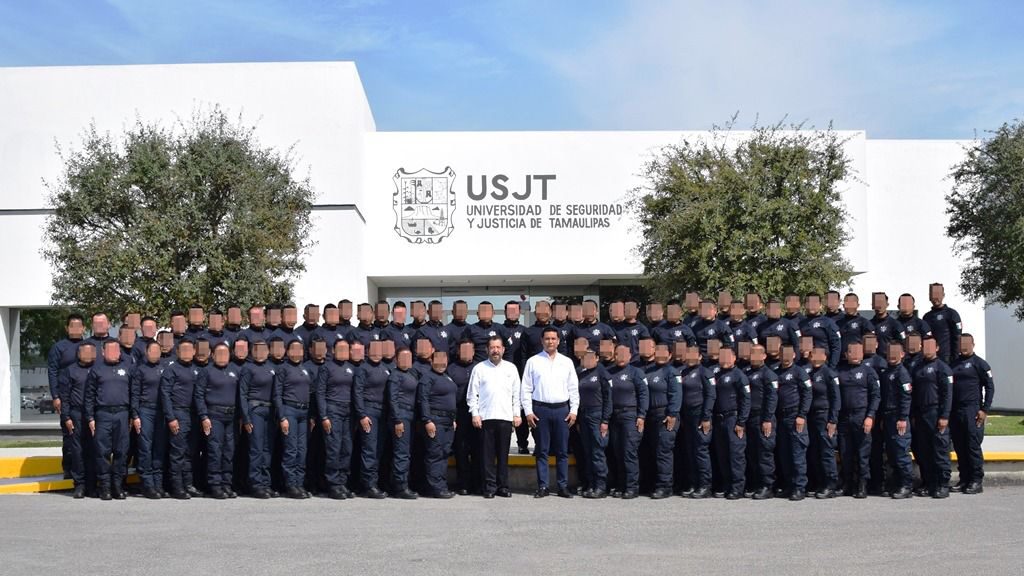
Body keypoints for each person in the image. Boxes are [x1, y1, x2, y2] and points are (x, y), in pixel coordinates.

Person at [521, 326, 580, 498]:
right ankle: (543, 486)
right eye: (547, 338)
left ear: (559, 341)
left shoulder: (566, 362)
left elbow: (573, 389)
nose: (550, 341)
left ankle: (562, 486)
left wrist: (574, 410)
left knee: (562, 451)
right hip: (541, 410)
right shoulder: (533, 361)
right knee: (542, 450)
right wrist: (528, 412)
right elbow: (525, 389)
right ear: (541, 341)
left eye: (554, 338)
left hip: (562, 409)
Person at [466, 335, 523, 498]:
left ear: (503, 349)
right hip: (486, 418)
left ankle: (503, 486)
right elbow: (472, 394)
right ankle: (489, 487)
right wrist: (475, 414)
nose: (495, 350)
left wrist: (516, 414)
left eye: (498, 347)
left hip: (505, 418)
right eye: (492, 347)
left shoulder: (511, 368)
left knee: (503, 455)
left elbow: (516, 394)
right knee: (487, 456)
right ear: (487, 350)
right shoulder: (479, 368)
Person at [85, 338, 133, 500]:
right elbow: (89, 396)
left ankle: (117, 486)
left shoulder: (127, 368)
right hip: (103, 415)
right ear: (103, 352)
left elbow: (134, 394)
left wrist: (133, 415)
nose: (114, 353)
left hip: (122, 414)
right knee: (102, 452)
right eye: (110, 350)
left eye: (117, 350)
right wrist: (90, 417)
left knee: (121, 452)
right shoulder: (96, 370)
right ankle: (104, 487)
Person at [195, 341, 240, 499]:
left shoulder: (234, 371)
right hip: (214, 415)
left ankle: (226, 484)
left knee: (229, 451)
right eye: (219, 354)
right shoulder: (206, 372)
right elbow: (199, 395)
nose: (222, 357)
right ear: (212, 355)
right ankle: (215, 484)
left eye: (225, 354)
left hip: (231, 416)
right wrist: (204, 416)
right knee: (215, 451)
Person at [949, 334, 994, 494]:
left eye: (967, 343)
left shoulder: (980, 364)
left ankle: (976, 481)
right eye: (961, 343)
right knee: (960, 447)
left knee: (972, 446)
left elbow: (990, 387)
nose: (964, 346)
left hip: (972, 410)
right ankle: (964, 479)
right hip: (956, 411)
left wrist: (984, 409)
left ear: (973, 344)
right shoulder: (953, 364)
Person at [910, 337, 954, 498]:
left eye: (931, 346)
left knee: (940, 451)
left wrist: (944, 416)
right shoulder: (918, 367)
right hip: (921, 415)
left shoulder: (943, 368)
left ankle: (942, 484)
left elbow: (947, 395)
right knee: (924, 452)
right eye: (924, 346)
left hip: (936, 413)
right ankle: (928, 483)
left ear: (937, 348)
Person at [836, 342, 880, 498]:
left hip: (861, 416)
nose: (854, 355)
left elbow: (876, 396)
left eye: (857, 352)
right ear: (846, 354)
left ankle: (862, 485)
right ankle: (847, 484)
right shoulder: (839, 371)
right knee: (845, 452)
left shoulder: (869, 372)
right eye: (851, 351)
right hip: (843, 417)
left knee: (863, 453)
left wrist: (870, 416)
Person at [273, 339, 315, 499]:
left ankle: (299, 483)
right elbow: (277, 394)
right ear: (287, 352)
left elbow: (310, 393)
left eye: (300, 349)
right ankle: (290, 485)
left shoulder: (305, 369)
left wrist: (311, 416)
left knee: (302, 450)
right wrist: (282, 416)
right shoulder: (283, 369)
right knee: (291, 449)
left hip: (304, 413)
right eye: (293, 349)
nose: (297, 352)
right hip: (289, 410)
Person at [605, 344, 648, 499]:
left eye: (624, 354)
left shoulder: (636, 372)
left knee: (629, 452)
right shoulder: (609, 373)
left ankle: (632, 487)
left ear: (630, 356)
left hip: (631, 415)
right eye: (617, 354)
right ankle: (621, 485)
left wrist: (641, 416)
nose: (621, 357)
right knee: (618, 452)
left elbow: (643, 394)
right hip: (614, 417)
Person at [316, 339, 358, 500]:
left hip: (348, 412)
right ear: (332, 350)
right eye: (339, 348)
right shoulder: (326, 368)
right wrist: (324, 416)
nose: (343, 352)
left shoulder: (351, 368)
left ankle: (342, 483)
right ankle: (333, 485)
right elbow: (320, 393)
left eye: (346, 349)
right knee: (334, 448)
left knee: (346, 448)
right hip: (332, 409)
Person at [238, 340, 277, 498]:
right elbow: (242, 393)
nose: (260, 353)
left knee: (267, 449)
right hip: (255, 410)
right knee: (256, 449)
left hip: (270, 411)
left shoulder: (271, 368)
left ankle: (265, 483)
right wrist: (246, 417)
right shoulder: (248, 368)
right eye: (257, 350)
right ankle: (255, 484)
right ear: (252, 352)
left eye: (263, 350)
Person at [418, 350, 459, 498]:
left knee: (444, 453)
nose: (441, 364)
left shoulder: (447, 377)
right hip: (435, 421)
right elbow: (423, 400)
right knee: (435, 454)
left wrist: (453, 419)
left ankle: (441, 485)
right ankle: (435, 488)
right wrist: (427, 420)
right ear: (431, 361)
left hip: (448, 422)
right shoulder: (427, 378)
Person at [129, 340, 166, 499]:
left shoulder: (165, 368)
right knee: (145, 448)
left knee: (159, 448)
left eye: (158, 351)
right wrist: (135, 415)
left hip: (162, 412)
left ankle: (158, 484)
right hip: (145, 410)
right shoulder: (140, 370)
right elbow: (135, 394)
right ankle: (147, 485)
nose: (156, 354)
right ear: (147, 352)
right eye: (153, 351)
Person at [711, 347, 750, 500]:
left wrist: (741, 421)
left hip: (733, 419)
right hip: (719, 419)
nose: (724, 360)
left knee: (736, 455)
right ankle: (727, 485)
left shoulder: (739, 376)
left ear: (734, 358)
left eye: (728, 357)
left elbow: (746, 400)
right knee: (722, 455)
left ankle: (737, 487)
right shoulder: (717, 375)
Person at [58, 341, 95, 498]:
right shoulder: (69, 371)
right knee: (77, 451)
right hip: (76, 414)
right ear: (79, 354)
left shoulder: (99, 369)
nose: (88, 355)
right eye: (84, 352)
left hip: (95, 415)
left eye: (91, 352)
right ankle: (79, 484)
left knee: (94, 450)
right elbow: (64, 397)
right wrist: (66, 417)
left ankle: (93, 485)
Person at [879, 343, 914, 499]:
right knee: (892, 454)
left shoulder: (903, 373)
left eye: (895, 353)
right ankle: (896, 484)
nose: (891, 356)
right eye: (889, 353)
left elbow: (906, 398)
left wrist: (902, 418)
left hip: (898, 418)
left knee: (901, 453)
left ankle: (906, 486)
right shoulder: (887, 372)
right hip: (887, 417)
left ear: (902, 354)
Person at [575, 349, 612, 498]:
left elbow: (608, 398)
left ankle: (601, 486)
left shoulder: (602, 372)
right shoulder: (580, 373)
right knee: (587, 452)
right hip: (583, 415)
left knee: (597, 452)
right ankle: (590, 484)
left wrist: (605, 420)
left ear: (597, 358)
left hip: (597, 415)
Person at [743, 344, 778, 500]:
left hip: (762, 418)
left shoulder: (769, 374)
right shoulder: (747, 373)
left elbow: (772, 398)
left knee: (765, 452)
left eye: (758, 354)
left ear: (764, 356)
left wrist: (768, 418)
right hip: (749, 418)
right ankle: (756, 483)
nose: (754, 357)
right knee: (751, 453)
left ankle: (767, 486)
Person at [386, 348, 420, 499]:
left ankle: (401, 483)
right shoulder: (395, 376)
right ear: (396, 360)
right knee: (401, 453)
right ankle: (400, 487)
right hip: (401, 415)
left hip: (411, 415)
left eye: (409, 358)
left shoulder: (411, 374)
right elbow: (392, 399)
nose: (406, 361)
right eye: (403, 358)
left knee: (406, 452)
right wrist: (397, 420)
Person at [922, 283, 962, 364]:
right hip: (929, 359)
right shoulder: (926, 317)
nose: (936, 298)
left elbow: (957, 337)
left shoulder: (952, 314)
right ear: (929, 296)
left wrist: (955, 358)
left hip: (947, 359)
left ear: (943, 295)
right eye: (933, 294)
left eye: (938, 294)